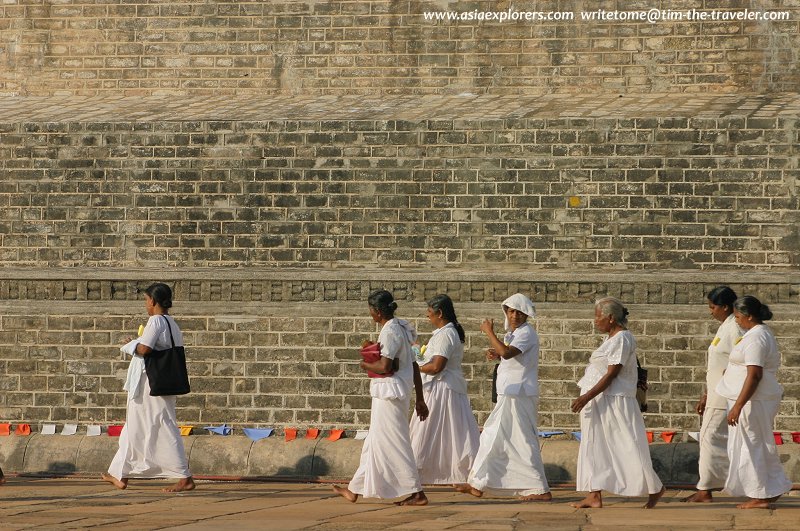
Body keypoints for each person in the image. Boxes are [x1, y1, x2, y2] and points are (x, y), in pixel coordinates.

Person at [333, 290, 429, 506]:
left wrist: (364, 363)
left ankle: (417, 492)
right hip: (392, 393)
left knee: (395, 443)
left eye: (371, 311)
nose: (371, 315)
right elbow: (413, 365)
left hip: (390, 394)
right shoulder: (403, 328)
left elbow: (385, 366)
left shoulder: (391, 331)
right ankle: (353, 489)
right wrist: (420, 398)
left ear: (376, 311)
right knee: (374, 441)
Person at [456, 293, 552, 501]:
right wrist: (497, 353)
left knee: (523, 440)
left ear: (526, 315)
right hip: (509, 392)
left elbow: (508, 354)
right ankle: (479, 483)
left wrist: (489, 333)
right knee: (493, 436)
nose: (514, 315)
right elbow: (506, 354)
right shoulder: (514, 334)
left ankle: (540, 489)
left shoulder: (526, 333)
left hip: (520, 394)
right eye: (511, 311)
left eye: (519, 312)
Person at [570, 297, 664, 509]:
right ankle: (594, 494)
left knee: (626, 445)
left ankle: (654, 487)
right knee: (594, 445)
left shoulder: (622, 339)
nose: (595, 321)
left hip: (615, 400)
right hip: (601, 400)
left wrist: (586, 397)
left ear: (611, 318)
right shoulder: (611, 339)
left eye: (598, 316)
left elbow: (612, 374)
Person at [102, 283, 195, 493]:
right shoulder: (172, 323)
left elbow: (145, 349)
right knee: (134, 426)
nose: (146, 304)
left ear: (152, 301)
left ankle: (184, 476)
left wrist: (130, 345)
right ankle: (120, 474)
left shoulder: (155, 321)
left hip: (151, 385)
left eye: (146, 300)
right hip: (160, 383)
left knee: (164, 426)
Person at [715, 295, 791, 509]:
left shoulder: (757, 337)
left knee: (752, 445)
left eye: (738, 317)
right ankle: (773, 487)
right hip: (752, 399)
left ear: (748, 316)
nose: (736, 320)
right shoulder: (756, 334)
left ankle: (760, 494)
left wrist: (738, 405)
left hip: (752, 401)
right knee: (760, 444)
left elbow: (754, 374)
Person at [410, 294, 480, 485]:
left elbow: (436, 367)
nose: (428, 318)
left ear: (439, 313)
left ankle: (412, 473)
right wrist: (416, 351)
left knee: (426, 432)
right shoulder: (445, 334)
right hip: (442, 387)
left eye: (430, 314)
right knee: (451, 433)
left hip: (442, 389)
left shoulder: (446, 335)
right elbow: (429, 361)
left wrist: (414, 368)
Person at [683, 286, 741, 503]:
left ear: (725, 307)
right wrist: (706, 394)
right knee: (715, 439)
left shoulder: (735, 327)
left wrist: (724, 386)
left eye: (713, 307)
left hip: (724, 393)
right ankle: (714, 484)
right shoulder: (724, 327)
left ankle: (705, 489)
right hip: (716, 392)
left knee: (708, 437)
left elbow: (739, 361)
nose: (710, 311)